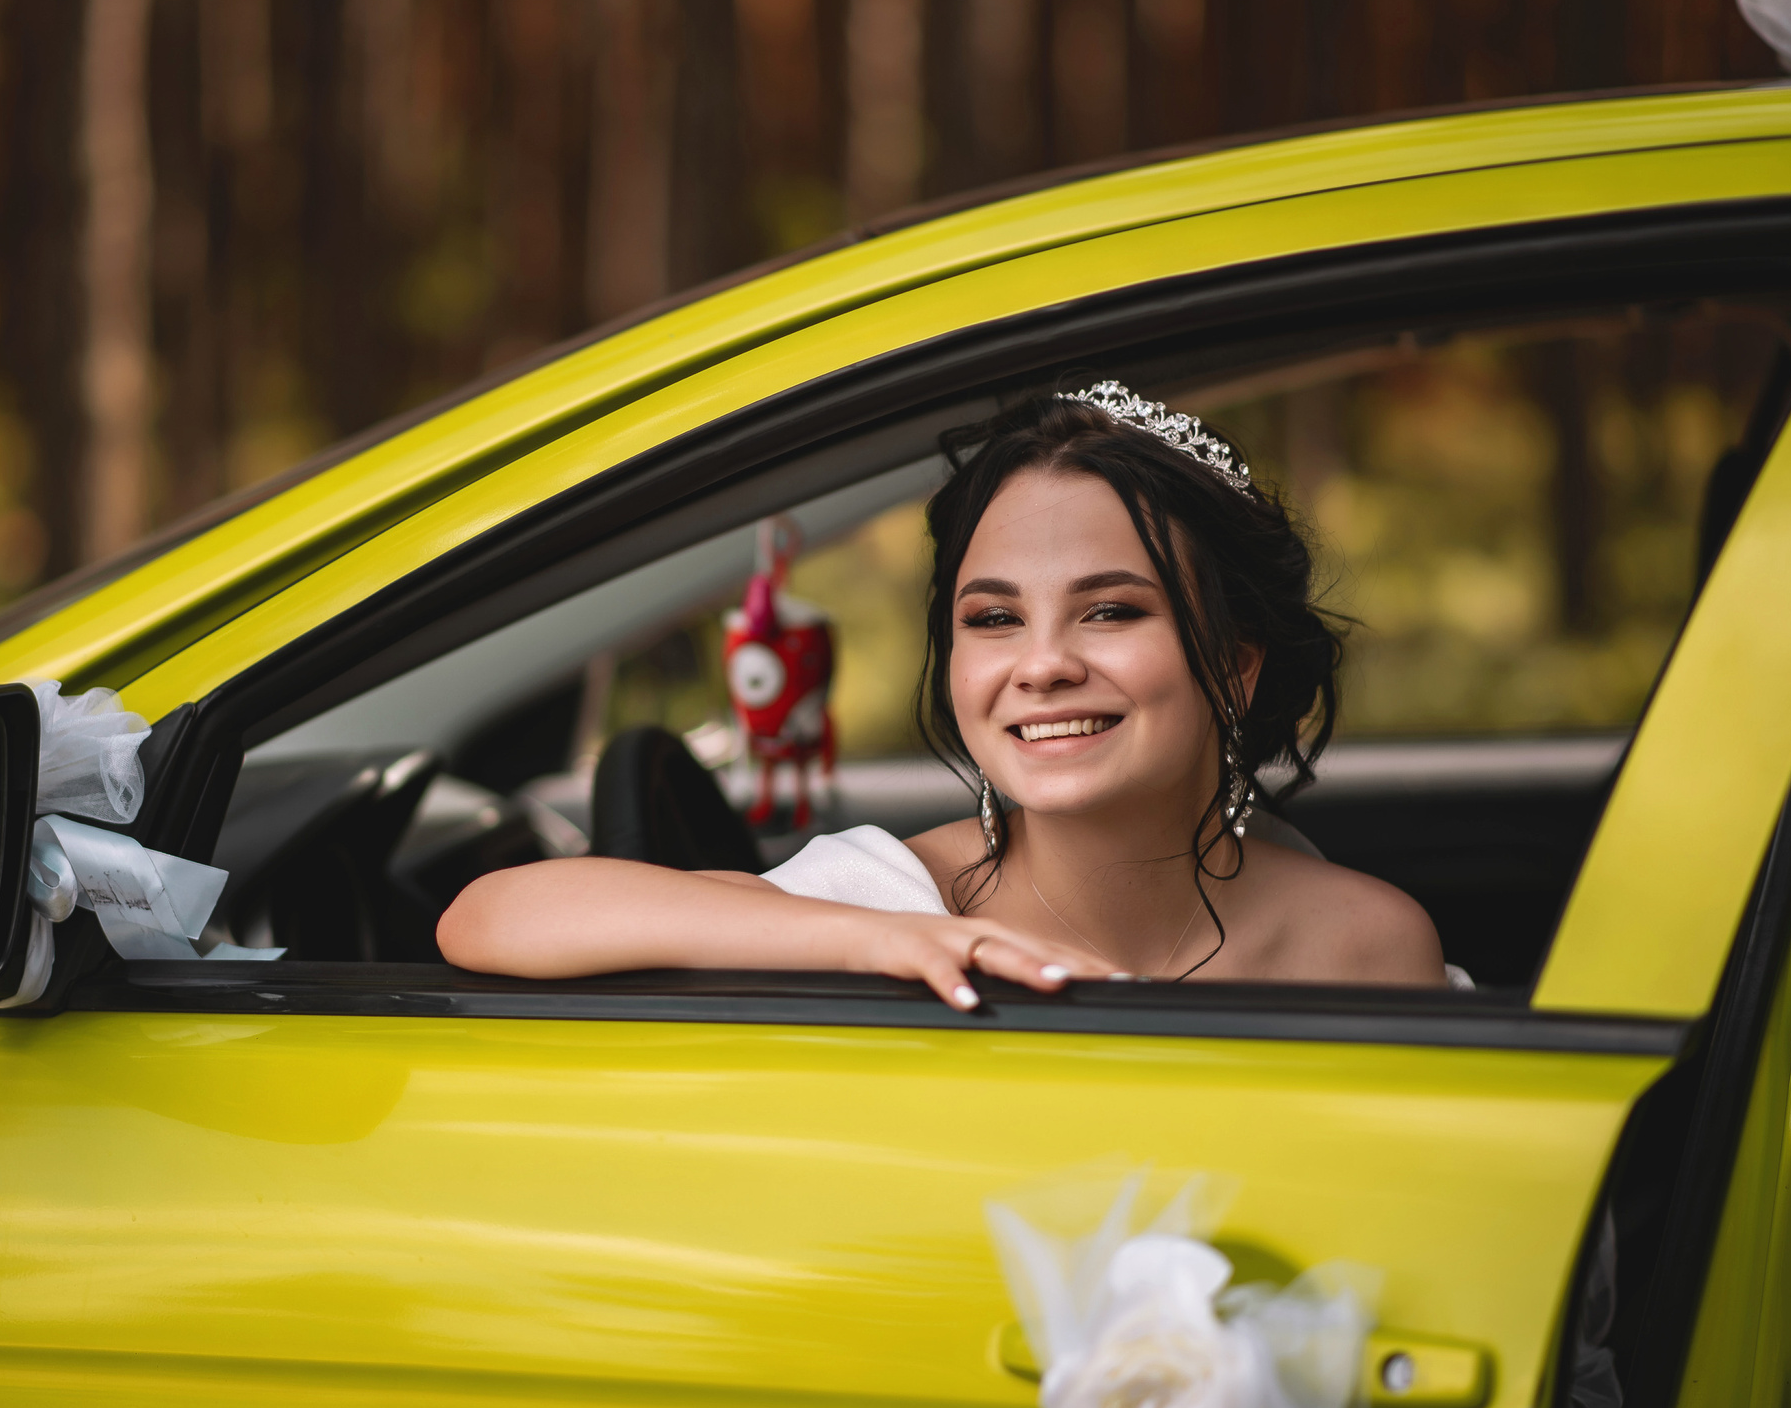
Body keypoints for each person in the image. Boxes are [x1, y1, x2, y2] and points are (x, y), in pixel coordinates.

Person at [439, 382, 1446, 1007]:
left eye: (1109, 611)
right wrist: (879, 940)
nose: (1041, 665)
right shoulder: (891, 899)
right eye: (994, 618)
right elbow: (491, 917)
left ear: (1234, 662)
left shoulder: (1367, 942)